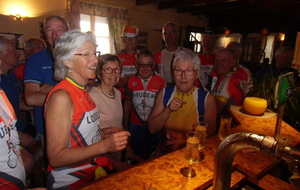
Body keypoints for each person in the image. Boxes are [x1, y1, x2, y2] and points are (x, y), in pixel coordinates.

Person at [45, 30, 130, 189]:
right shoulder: (62, 97)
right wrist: (104, 146)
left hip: (91, 171)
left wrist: (100, 134)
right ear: (67, 61)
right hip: (70, 181)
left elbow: (77, 135)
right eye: (86, 54)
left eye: (95, 53)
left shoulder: (83, 90)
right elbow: (56, 158)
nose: (96, 60)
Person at [148, 50, 217, 154]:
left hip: (193, 152)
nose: (183, 76)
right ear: (173, 72)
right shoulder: (164, 93)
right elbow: (151, 128)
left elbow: (211, 136)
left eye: (189, 71)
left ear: (197, 73)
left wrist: (186, 142)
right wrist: (167, 110)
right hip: (166, 152)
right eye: (178, 70)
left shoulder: (207, 99)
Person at [24, 16, 69, 146]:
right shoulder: (35, 59)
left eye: (59, 29)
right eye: (49, 30)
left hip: (81, 122)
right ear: (44, 34)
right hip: (50, 127)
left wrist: (52, 90)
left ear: (68, 31)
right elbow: (31, 98)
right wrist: (69, 94)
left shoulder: (78, 55)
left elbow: (90, 88)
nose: (54, 35)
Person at [89, 54, 137, 171]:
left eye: (117, 70)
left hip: (117, 150)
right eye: (108, 69)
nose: (113, 73)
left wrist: (127, 149)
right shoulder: (93, 96)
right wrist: (115, 163)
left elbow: (119, 125)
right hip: (102, 155)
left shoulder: (117, 93)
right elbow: (91, 136)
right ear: (99, 74)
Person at [0, 36, 36, 177]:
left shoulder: (11, 75)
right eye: (13, 50)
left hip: (19, 125)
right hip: (9, 131)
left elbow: (18, 103)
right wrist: (19, 135)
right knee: (27, 162)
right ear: (1, 55)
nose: (18, 53)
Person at [123, 49, 166, 159]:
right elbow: (127, 104)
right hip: (135, 124)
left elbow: (164, 107)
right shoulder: (131, 80)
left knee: (153, 154)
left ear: (154, 65)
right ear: (136, 65)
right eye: (141, 65)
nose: (145, 68)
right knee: (136, 154)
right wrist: (125, 125)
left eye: (148, 65)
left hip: (154, 124)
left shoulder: (161, 81)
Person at [209, 48, 244, 114]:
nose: (219, 64)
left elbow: (215, 112)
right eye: (216, 60)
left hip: (230, 122)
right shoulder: (224, 76)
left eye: (223, 60)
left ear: (232, 63)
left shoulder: (228, 81)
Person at [154, 22, 189, 86]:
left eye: (172, 32)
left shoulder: (187, 54)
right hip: (163, 89)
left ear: (177, 34)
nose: (169, 35)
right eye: (166, 33)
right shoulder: (156, 56)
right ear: (162, 36)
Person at [116, 25, 139, 101]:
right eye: (127, 38)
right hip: (121, 97)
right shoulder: (116, 57)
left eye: (132, 38)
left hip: (138, 97)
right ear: (123, 39)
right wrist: (119, 83)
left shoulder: (143, 57)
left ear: (137, 39)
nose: (129, 41)